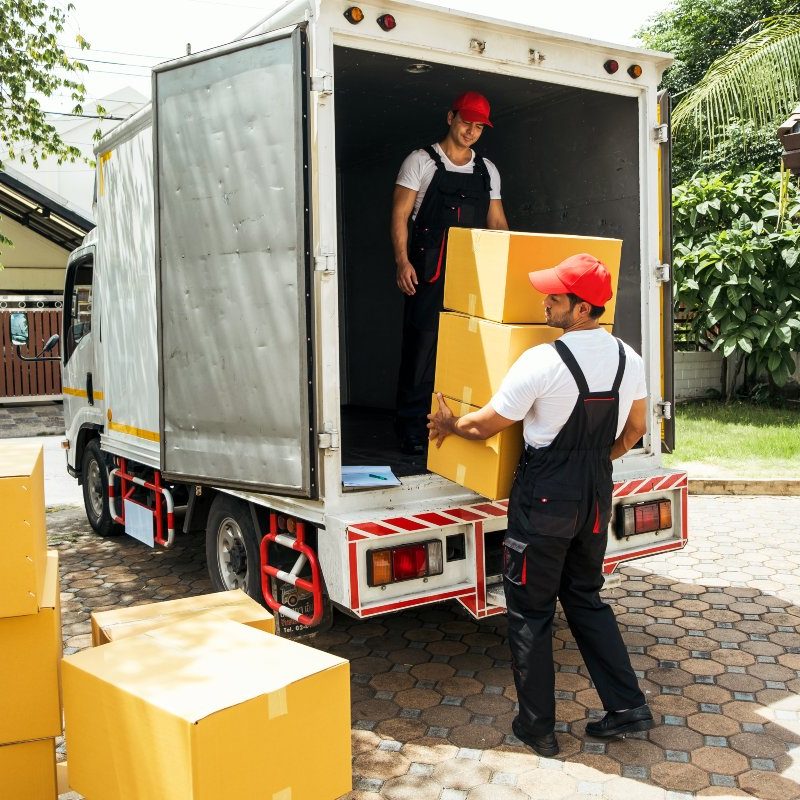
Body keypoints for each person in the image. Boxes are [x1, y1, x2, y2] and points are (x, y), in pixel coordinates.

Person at [427, 253, 654, 757]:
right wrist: (594, 460)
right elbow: (635, 430)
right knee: (586, 598)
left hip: (545, 500)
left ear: (581, 308)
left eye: (554, 295)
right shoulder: (628, 358)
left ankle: (538, 727)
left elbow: (485, 424)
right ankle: (628, 706)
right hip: (595, 494)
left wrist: (447, 426)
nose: (545, 301)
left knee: (530, 611)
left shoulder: (543, 360)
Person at [391, 91, 509, 455]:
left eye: (478, 126)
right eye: (465, 122)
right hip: (427, 272)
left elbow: (496, 222)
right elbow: (399, 215)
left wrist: (509, 266)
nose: (471, 131)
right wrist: (402, 262)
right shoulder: (421, 161)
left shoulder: (487, 169)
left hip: (471, 275)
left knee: (466, 351)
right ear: (450, 117)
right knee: (422, 349)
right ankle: (411, 427)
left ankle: (460, 426)